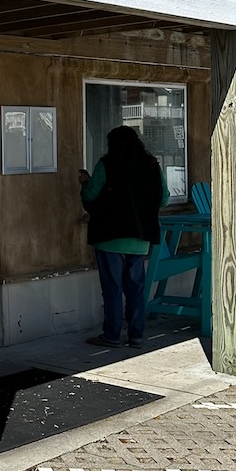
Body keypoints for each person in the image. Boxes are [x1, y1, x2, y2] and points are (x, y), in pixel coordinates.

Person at [79, 125, 170, 348]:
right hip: (140, 236)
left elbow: (91, 194)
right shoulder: (151, 165)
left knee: (112, 288)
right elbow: (164, 198)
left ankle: (111, 335)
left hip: (109, 235)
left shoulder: (107, 164)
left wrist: (84, 182)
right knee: (136, 288)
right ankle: (136, 335)